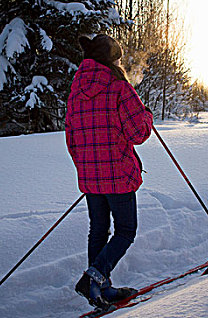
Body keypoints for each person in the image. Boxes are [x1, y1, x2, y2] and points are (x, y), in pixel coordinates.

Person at [65, 34, 153, 309]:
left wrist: (86, 166)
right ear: (111, 59)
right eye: (118, 58)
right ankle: (93, 278)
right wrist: (146, 115)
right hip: (118, 175)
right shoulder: (119, 88)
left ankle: (101, 287)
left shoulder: (76, 91)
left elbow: (71, 138)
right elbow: (139, 132)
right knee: (126, 230)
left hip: (91, 176)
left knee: (99, 230)